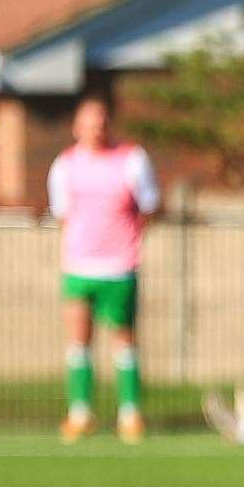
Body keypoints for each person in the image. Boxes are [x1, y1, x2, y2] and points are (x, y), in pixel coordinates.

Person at [49, 96, 160, 443]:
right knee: (78, 341)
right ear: (76, 127)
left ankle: (130, 413)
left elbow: (151, 206)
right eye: (89, 121)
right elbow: (62, 214)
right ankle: (80, 413)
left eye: (101, 121)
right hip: (80, 266)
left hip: (120, 266)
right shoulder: (65, 164)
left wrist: (128, 240)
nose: (96, 128)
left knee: (124, 340)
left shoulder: (132, 159)